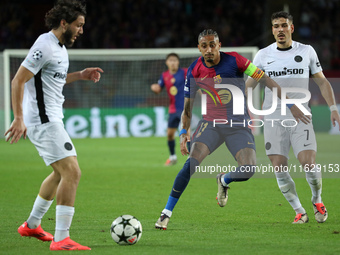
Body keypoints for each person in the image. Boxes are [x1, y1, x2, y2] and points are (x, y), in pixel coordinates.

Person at [155, 29, 307, 230]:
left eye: (212, 45)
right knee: (191, 164)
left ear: (219, 45)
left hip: (238, 126)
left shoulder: (236, 61)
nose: (209, 49)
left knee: (248, 169)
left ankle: (224, 179)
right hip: (211, 125)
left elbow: (266, 80)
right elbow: (187, 108)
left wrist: (291, 105)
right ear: (198, 48)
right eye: (204, 46)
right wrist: (184, 133)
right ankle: (166, 212)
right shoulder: (194, 70)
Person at [4, 0, 103, 250]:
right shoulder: (44, 45)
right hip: (43, 120)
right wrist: (18, 118)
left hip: (52, 118)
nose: (81, 30)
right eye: (78, 25)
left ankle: (32, 225)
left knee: (60, 173)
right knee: (73, 172)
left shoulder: (60, 48)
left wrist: (80, 75)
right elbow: (18, 80)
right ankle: (61, 238)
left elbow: (52, 79)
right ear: (63, 23)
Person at [246, 11, 340, 224]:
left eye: (284, 25)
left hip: (301, 116)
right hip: (272, 118)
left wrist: (333, 107)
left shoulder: (306, 51)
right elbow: (249, 85)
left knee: (308, 162)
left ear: (292, 28)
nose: (280, 29)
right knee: (278, 166)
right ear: (272, 30)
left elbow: (323, 82)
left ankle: (317, 200)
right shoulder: (262, 55)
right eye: (276, 26)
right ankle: (299, 211)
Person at [151, 53, 188, 166]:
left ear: (178, 62)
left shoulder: (185, 72)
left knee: (188, 134)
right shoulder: (164, 75)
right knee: (170, 135)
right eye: (170, 60)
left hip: (185, 109)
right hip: (173, 109)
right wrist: (154, 88)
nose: (172, 62)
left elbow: (195, 83)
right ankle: (172, 157)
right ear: (167, 63)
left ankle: (192, 159)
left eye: (175, 60)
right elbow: (158, 90)